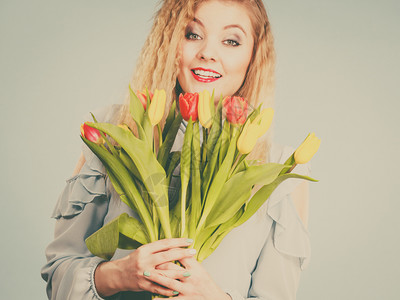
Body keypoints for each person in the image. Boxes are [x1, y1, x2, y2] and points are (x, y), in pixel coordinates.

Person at [41, 0, 312, 299]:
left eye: (231, 41)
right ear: (169, 42)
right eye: (192, 34)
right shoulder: (114, 133)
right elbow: (58, 278)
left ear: (253, 57)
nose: (208, 53)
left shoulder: (281, 169)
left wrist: (211, 296)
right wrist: (120, 274)